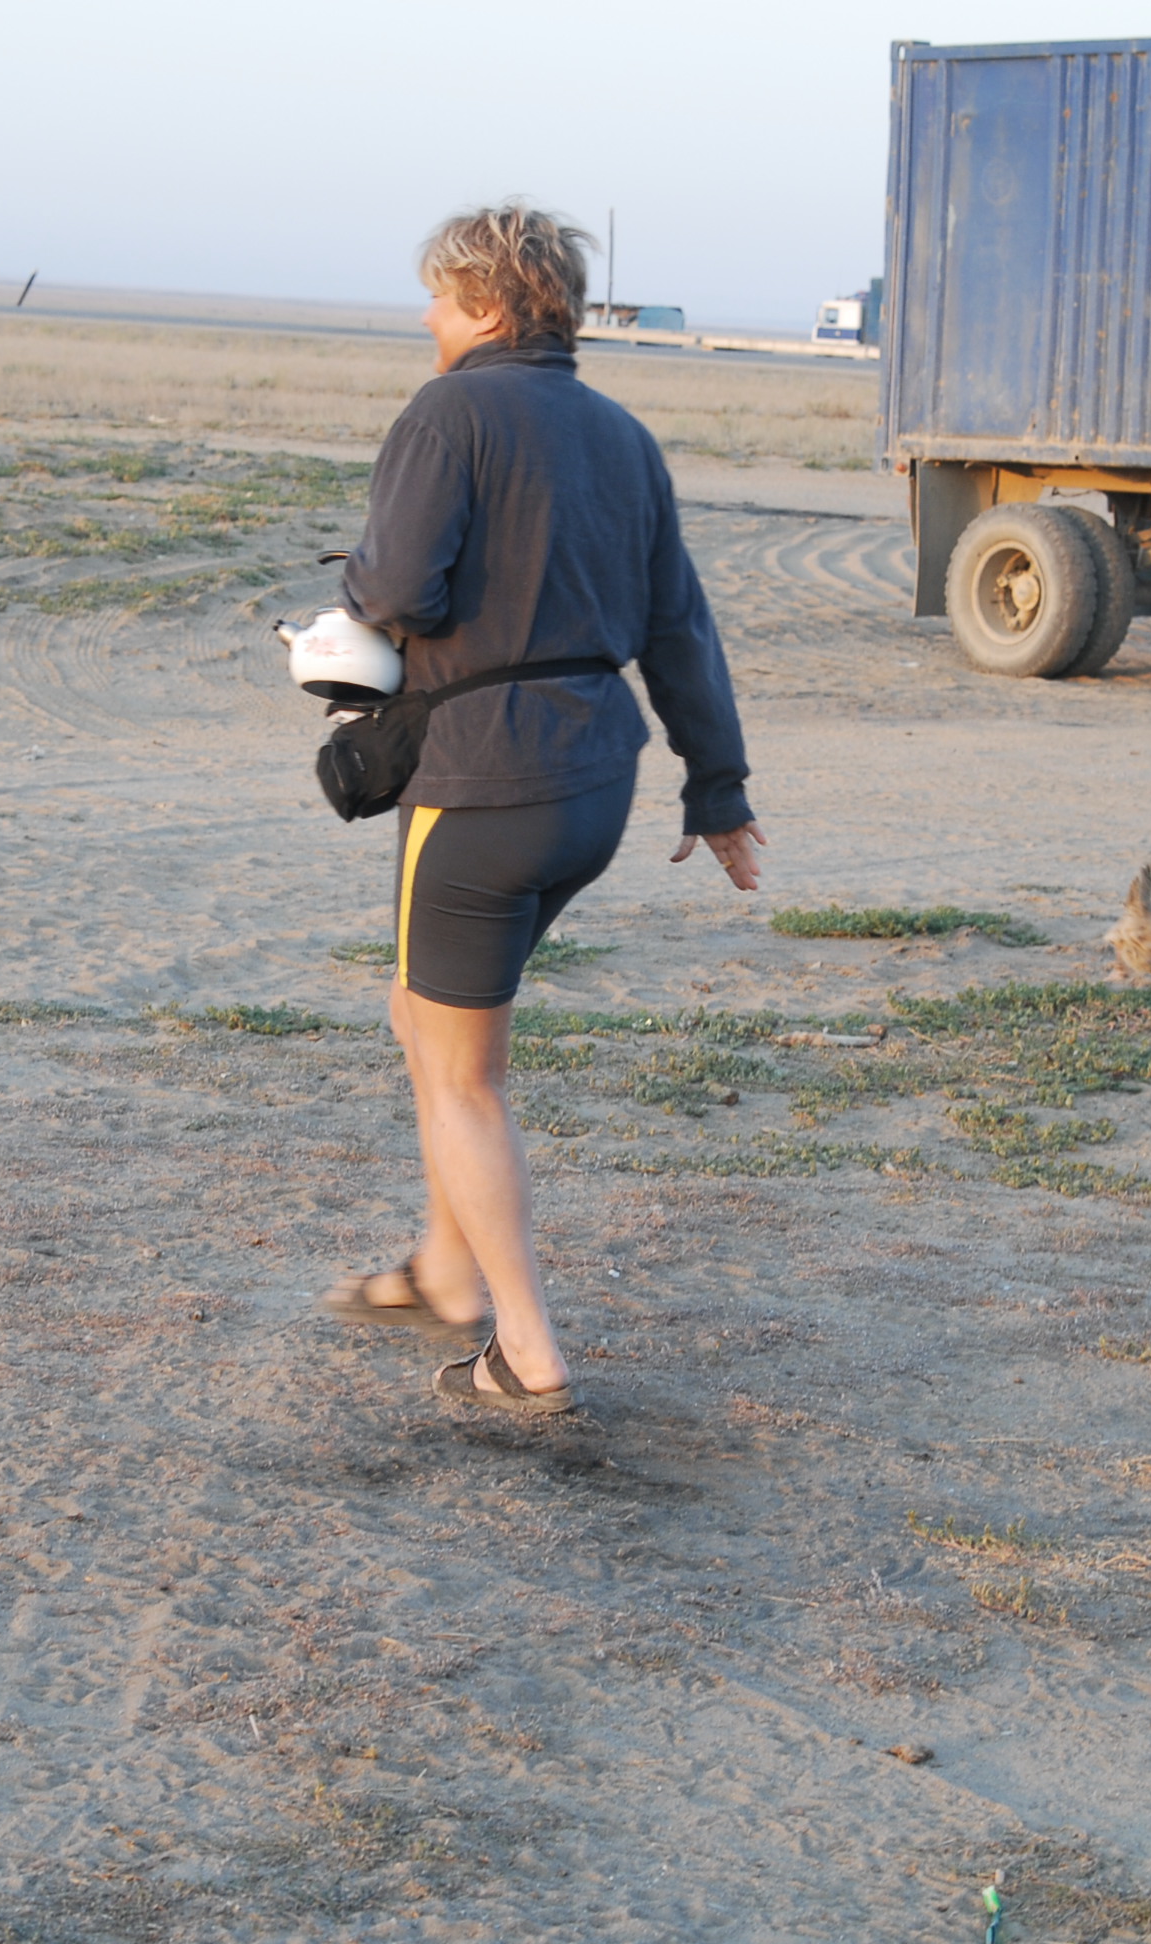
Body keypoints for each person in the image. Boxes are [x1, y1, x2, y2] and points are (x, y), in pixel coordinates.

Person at [318, 202, 764, 1415]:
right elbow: (679, 626)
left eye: (439, 295)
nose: (426, 316)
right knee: (424, 1016)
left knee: (462, 1075)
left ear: (488, 303)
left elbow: (397, 587)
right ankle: (442, 1267)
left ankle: (524, 1349)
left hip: (482, 781)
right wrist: (716, 786)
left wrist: (349, 601)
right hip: (593, 781)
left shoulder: (449, 413)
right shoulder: (622, 435)